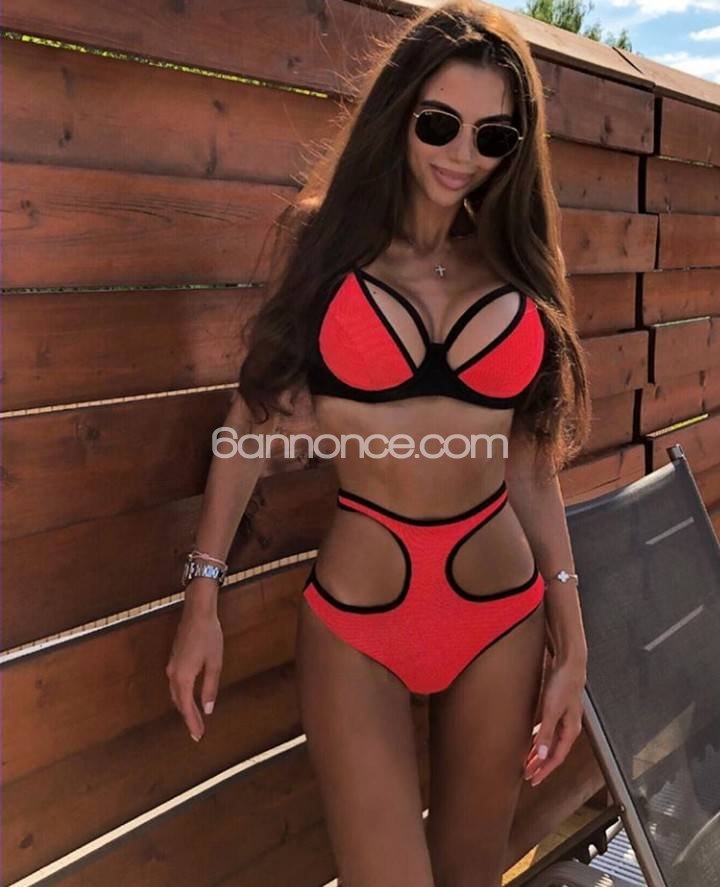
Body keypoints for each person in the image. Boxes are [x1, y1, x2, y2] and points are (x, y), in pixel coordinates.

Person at [167, 2, 592, 884]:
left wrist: (571, 634)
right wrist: (202, 595)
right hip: (358, 623)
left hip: (502, 616)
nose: (461, 153)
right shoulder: (326, 243)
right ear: (400, 111)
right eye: (440, 123)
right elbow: (250, 422)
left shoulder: (514, 260)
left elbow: (528, 458)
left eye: (492, 136)